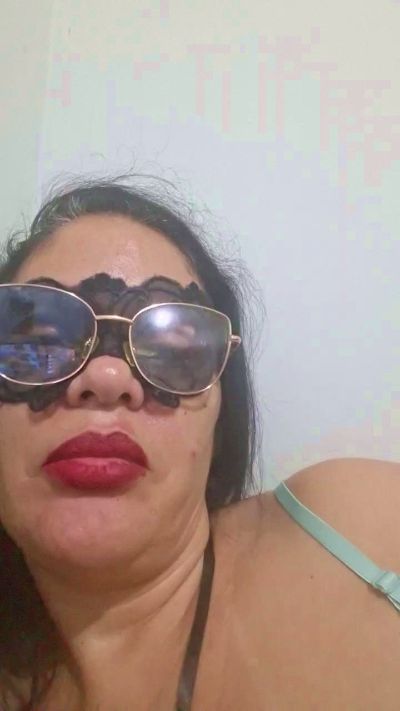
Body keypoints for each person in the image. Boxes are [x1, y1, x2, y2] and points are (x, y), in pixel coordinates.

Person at [0, 175, 398, 711]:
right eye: (40, 344)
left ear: (221, 416)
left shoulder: (363, 528)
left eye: (172, 350)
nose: (108, 378)